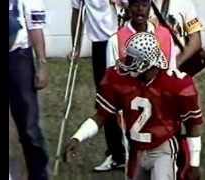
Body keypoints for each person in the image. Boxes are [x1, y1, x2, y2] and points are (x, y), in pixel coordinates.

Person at [65, 32, 204, 180]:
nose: (127, 62)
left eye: (132, 59)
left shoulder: (176, 84)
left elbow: (193, 125)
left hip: (163, 148)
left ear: (146, 63)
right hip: (135, 150)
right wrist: (77, 137)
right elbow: (101, 116)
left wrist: (194, 163)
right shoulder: (119, 79)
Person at [69, 0, 127, 172]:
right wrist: (75, 47)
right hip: (100, 45)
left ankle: (142, 150)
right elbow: (76, 14)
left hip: (123, 40)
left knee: (130, 96)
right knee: (105, 99)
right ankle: (117, 155)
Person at [9, 0, 49, 180]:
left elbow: (34, 24)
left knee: (29, 126)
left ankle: (39, 175)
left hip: (18, 58)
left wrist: (42, 63)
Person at [149, 0, 203, 69]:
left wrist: (176, 62)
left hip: (177, 68)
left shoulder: (186, 4)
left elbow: (196, 40)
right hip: (148, 69)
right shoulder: (137, 4)